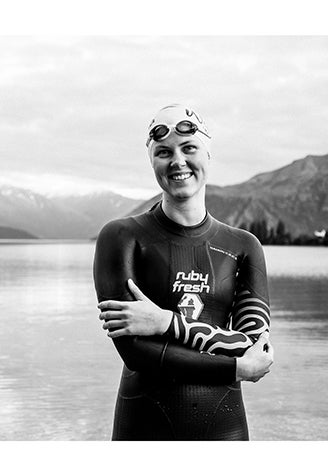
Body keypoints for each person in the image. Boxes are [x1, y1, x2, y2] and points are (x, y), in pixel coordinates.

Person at [93, 104, 274, 440]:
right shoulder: (122, 237)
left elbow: (253, 347)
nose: (177, 161)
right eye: (163, 152)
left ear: (208, 154)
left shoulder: (243, 246)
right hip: (143, 430)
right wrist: (235, 368)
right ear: (153, 163)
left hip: (225, 431)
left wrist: (165, 323)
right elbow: (136, 353)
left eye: (189, 148)